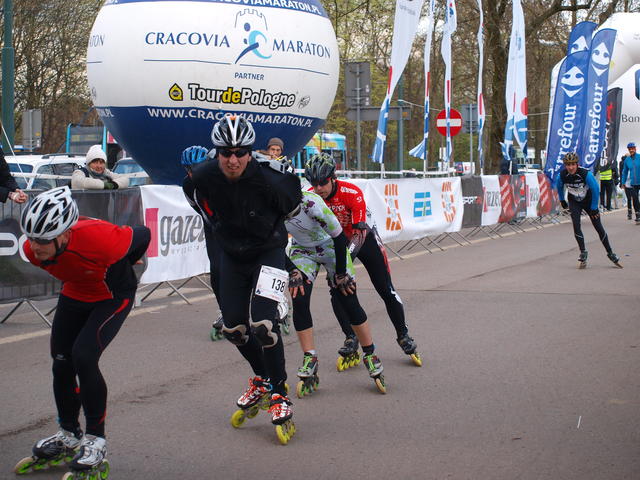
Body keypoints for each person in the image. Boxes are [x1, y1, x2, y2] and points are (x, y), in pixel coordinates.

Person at [15, 186, 150, 477]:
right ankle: (69, 433)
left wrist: (128, 259)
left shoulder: (102, 239)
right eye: (31, 237)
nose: (35, 246)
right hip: (76, 292)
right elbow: (55, 257)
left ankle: (96, 439)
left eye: (44, 240)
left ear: (65, 234)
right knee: (61, 361)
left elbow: (143, 234)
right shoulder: (30, 250)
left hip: (112, 295)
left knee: (84, 357)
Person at [191, 114, 300, 441]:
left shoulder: (271, 176)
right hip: (234, 255)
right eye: (226, 152)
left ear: (250, 152)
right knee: (233, 329)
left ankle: (280, 393)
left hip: (268, 252)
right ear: (217, 152)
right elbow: (198, 205)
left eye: (241, 152)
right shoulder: (201, 177)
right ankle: (263, 379)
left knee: (264, 325)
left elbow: (293, 205)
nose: (233, 159)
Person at [304, 153, 422, 365]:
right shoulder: (311, 197)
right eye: (314, 183)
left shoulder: (351, 192)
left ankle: (403, 334)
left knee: (385, 289)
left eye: (323, 182)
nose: (319, 188)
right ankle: (350, 337)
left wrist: (343, 264)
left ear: (333, 178)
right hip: (337, 244)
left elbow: (359, 233)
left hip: (363, 239)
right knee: (338, 289)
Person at [284, 175, 386, 397]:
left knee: (347, 295)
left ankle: (370, 352)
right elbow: (273, 243)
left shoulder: (311, 202)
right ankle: (309, 357)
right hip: (303, 249)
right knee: (298, 295)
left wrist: (340, 273)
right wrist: (292, 270)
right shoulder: (271, 207)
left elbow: (340, 238)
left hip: (331, 245)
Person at [180, 145, 225, 340]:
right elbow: (198, 208)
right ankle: (225, 311)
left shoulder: (221, 177)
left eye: (199, 168)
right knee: (217, 270)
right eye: (191, 170)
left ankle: (275, 302)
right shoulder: (187, 185)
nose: (195, 174)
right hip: (213, 227)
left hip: (237, 225)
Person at [555, 152, 622, 269]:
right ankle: (583, 252)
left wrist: (594, 208)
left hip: (588, 200)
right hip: (574, 201)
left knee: (598, 227)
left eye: (573, 164)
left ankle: (610, 253)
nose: (571, 167)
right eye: (568, 165)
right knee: (576, 226)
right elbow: (559, 186)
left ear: (577, 164)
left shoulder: (585, 174)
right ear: (565, 165)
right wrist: (562, 200)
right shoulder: (562, 175)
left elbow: (595, 189)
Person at [619, 142, 640, 224]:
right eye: (629, 149)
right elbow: (624, 172)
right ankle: (638, 215)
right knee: (635, 199)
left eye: (632, 148)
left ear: (635, 148)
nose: (631, 150)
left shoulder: (639, 157)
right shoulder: (627, 160)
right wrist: (623, 182)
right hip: (633, 183)